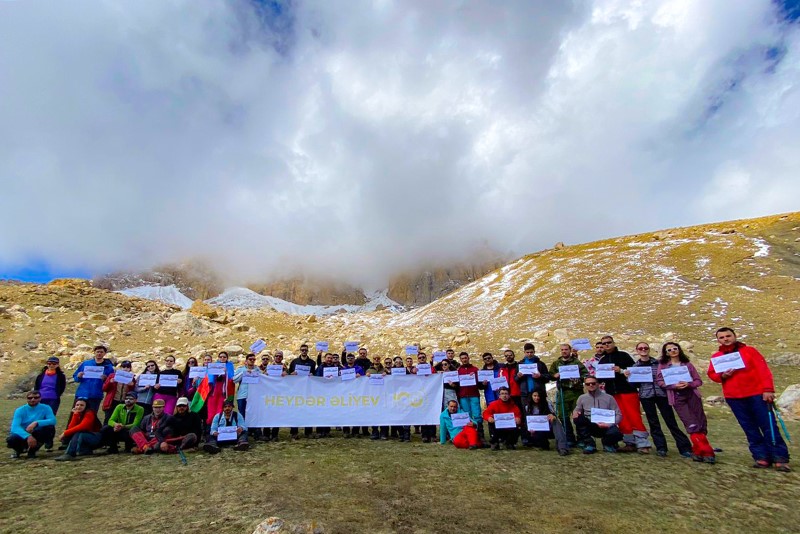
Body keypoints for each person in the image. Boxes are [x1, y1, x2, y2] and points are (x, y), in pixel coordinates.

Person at [707, 327, 789, 471]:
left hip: (756, 394)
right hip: (734, 397)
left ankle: (780, 458)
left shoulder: (749, 351)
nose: (725, 339)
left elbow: (763, 370)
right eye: (722, 337)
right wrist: (722, 376)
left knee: (768, 425)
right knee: (749, 428)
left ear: (734, 336)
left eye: (728, 336)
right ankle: (761, 457)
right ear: (718, 340)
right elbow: (712, 374)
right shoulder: (717, 357)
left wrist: (768, 389)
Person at [625, 342, 692, 458]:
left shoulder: (659, 363)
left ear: (649, 349)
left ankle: (684, 448)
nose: (643, 350)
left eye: (645, 347)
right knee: (653, 423)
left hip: (662, 395)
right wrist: (629, 377)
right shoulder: (634, 367)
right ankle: (661, 448)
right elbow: (634, 385)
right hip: (646, 396)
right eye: (640, 348)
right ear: (637, 351)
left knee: (671, 422)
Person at [657, 342, 715, 464]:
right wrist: (673, 386)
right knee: (691, 423)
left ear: (679, 350)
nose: (673, 351)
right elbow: (660, 381)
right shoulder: (663, 366)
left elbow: (698, 381)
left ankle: (697, 451)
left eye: (675, 348)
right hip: (677, 397)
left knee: (700, 422)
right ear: (666, 353)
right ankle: (707, 451)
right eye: (669, 350)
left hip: (692, 395)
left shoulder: (687, 364)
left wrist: (689, 384)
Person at [598, 336, 652, 452]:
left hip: (627, 390)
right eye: (604, 343)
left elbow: (633, 371)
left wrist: (621, 370)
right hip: (612, 393)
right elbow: (600, 378)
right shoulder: (603, 360)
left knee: (634, 416)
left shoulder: (624, 355)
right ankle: (629, 442)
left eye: (609, 342)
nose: (606, 345)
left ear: (613, 343)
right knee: (621, 418)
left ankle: (643, 443)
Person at [548, 343, 587, 448]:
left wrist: (579, 378)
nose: (564, 351)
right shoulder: (556, 363)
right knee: (563, 416)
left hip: (576, 392)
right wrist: (554, 375)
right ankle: (569, 438)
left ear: (570, 350)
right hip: (563, 391)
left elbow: (585, 374)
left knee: (578, 416)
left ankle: (582, 438)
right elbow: (550, 375)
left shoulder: (576, 362)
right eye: (562, 350)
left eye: (566, 349)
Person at [572, 378, 623, 454]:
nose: (591, 385)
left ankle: (607, 443)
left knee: (616, 433)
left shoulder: (609, 397)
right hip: (590, 424)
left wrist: (609, 424)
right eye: (588, 384)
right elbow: (577, 409)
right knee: (578, 419)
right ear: (585, 386)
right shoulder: (582, 398)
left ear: (598, 384)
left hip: (606, 424)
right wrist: (575, 413)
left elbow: (618, 415)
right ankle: (590, 444)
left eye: (593, 383)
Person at [6, 390, 56, 459]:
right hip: (23, 432)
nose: (33, 400)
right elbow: (15, 427)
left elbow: (53, 421)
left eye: (36, 397)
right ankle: (19, 450)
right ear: (26, 399)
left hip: (37, 431)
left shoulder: (46, 408)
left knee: (49, 429)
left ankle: (32, 451)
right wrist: (28, 436)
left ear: (40, 398)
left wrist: (36, 423)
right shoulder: (20, 410)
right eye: (30, 398)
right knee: (11, 439)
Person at [72, 345, 115, 413]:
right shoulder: (86, 363)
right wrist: (79, 376)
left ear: (105, 353)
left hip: (96, 395)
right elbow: (75, 377)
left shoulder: (109, 367)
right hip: (82, 394)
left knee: (91, 415)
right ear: (94, 352)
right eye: (97, 352)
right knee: (76, 413)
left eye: (101, 352)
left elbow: (111, 382)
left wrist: (105, 379)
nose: (99, 353)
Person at [526, 390, 569, 456]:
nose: (537, 398)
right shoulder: (528, 407)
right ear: (531, 396)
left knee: (556, 422)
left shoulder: (547, 404)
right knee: (542, 444)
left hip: (549, 427)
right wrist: (530, 429)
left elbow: (554, 415)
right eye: (535, 396)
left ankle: (562, 448)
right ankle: (542, 444)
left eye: (538, 396)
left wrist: (553, 416)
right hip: (536, 430)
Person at [288, 344, 317, 440]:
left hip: (308, 390)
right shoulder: (294, 362)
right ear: (300, 350)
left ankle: (308, 432)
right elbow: (288, 374)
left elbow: (315, 375)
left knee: (308, 411)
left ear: (307, 351)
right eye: (302, 350)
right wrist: (291, 374)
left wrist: (312, 375)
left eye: (305, 350)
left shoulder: (312, 362)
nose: (304, 351)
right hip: (296, 390)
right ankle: (294, 432)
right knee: (295, 411)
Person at [456, 352, 484, 444]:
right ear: (460, 360)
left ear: (468, 358)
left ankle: (480, 435)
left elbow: (480, 384)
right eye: (462, 358)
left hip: (474, 395)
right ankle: (469, 435)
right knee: (467, 416)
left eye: (465, 358)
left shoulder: (475, 369)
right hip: (463, 396)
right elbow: (456, 384)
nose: (464, 360)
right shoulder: (458, 370)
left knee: (477, 415)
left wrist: (482, 382)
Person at [101, 360, 136, 425]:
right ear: (120, 368)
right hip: (112, 401)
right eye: (124, 367)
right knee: (108, 419)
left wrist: (131, 386)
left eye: (128, 367)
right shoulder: (112, 376)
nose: (126, 369)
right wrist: (110, 382)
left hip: (124, 402)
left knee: (120, 421)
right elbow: (104, 388)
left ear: (130, 369)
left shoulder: (132, 378)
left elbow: (132, 392)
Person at [315, 353, 341, 438]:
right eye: (328, 358)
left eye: (331, 358)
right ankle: (319, 431)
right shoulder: (320, 367)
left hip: (332, 392)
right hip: (321, 392)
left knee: (329, 412)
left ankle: (327, 431)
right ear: (325, 358)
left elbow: (340, 378)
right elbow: (317, 377)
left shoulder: (336, 368)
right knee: (320, 412)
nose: (329, 359)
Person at [341, 353, 367, 438]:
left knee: (357, 412)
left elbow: (364, 379)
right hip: (345, 393)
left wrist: (360, 376)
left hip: (357, 393)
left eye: (352, 358)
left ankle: (355, 431)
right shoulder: (343, 369)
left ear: (354, 359)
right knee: (345, 412)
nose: (350, 359)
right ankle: (346, 431)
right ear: (346, 359)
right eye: (348, 358)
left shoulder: (359, 368)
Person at [498, 349, 524, 416]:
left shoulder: (519, 366)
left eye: (510, 355)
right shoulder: (502, 368)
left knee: (519, 411)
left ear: (514, 355)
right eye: (506, 356)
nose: (508, 357)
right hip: (506, 394)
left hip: (517, 393)